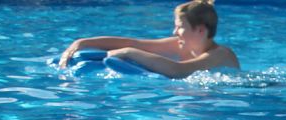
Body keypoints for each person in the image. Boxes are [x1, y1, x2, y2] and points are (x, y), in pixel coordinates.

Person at [57, 0, 239, 78]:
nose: (175, 32)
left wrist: (129, 53)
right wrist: (82, 42)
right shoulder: (183, 45)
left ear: (200, 30)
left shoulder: (220, 55)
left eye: (180, 27)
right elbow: (135, 42)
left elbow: (179, 70)